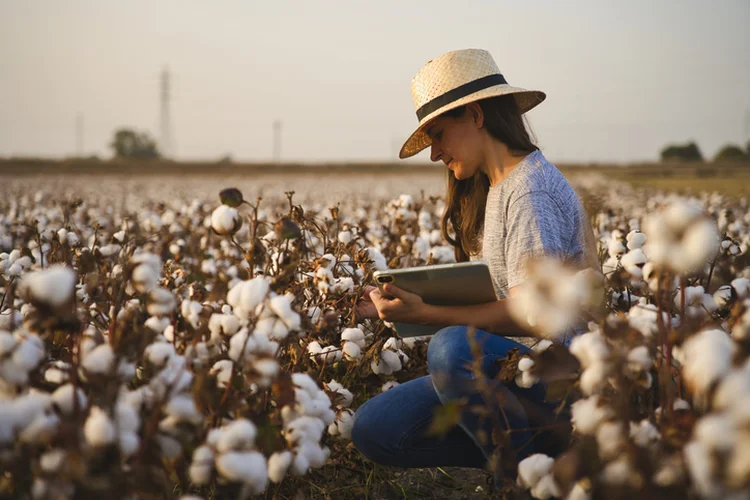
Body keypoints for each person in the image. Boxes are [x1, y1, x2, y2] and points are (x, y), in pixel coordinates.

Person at [350, 49, 598, 483]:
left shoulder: (528, 193)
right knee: (374, 429)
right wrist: (405, 304)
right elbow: (509, 300)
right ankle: (540, 450)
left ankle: (521, 478)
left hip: (557, 376)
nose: (435, 154)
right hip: (514, 371)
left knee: (451, 350)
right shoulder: (499, 188)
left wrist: (424, 315)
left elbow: (535, 316)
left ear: (476, 115)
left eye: (439, 135)